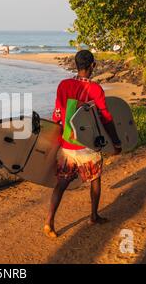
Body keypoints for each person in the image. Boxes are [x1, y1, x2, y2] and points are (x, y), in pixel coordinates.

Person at [44, 50, 122, 238]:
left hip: (67, 144)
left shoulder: (63, 85)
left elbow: (57, 114)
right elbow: (106, 118)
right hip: (86, 146)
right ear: (93, 66)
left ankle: (49, 221)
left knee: (62, 183)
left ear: (75, 65)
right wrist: (116, 142)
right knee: (95, 180)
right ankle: (94, 216)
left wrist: (55, 138)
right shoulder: (95, 89)